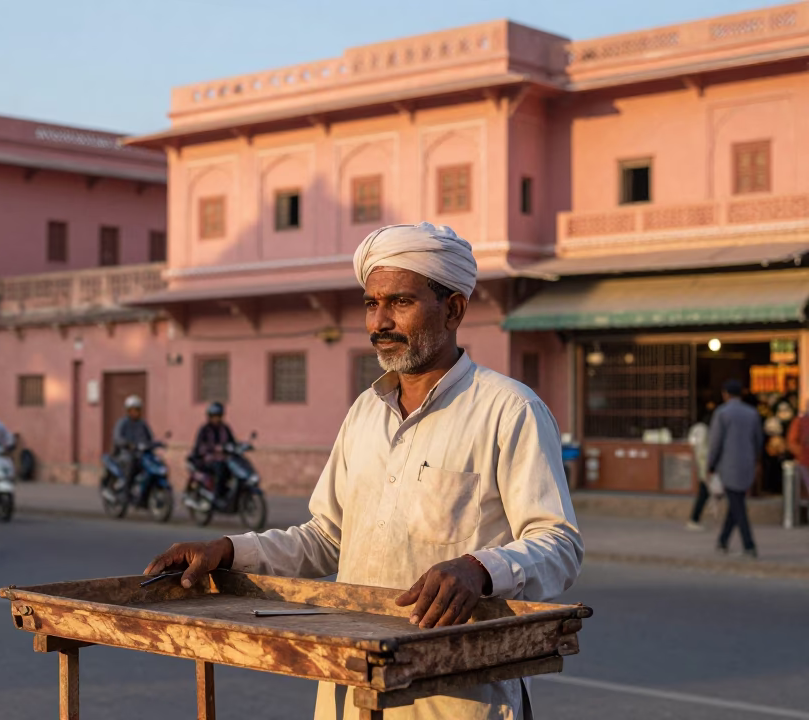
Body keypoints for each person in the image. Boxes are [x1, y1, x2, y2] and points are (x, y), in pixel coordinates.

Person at [144, 223, 583, 720]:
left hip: (457, 696)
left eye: (399, 302)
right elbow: (325, 539)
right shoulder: (364, 412)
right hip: (352, 686)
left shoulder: (509, 409)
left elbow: (559, 544)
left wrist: (480, 569)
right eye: (372, 304)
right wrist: (224, 551)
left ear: (454, 309)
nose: (380, 322)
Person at [708, 378, 764, 559]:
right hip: (747, 463)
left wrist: (710, 464)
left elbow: (715, 442)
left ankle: (749, 545)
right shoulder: (752, 413)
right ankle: (722, 541)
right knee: (736, 501)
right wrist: (756, 459)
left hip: (728, 464)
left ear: (725, 394)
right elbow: (758, 440)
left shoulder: (722, 413)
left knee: (737, 504)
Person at [190, 402, 237, 499]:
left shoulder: (225, 428)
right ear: (209, 417)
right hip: (207, 459)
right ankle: (217, 495)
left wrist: (239, 447)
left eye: (218, 416)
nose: (216, 419)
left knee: (232, 469)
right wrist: (213, 448)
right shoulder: (204, 429)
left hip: (223, 458)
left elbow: (232, 442)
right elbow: (199, 446)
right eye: (214, 416)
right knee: (220, 468)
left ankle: (228, 493)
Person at [686, 403, 721, 530]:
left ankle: (695, 519)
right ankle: (694, 519)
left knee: (705, 493)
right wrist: (706, 468)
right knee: (704, 493)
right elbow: (702, 452)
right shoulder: (702, 430)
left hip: (704, 466)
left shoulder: (697, 429)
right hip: (705, 466)